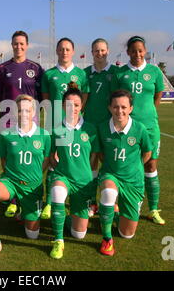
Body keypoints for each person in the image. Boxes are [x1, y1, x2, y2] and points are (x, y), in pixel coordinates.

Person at [0, 94, 51, 261]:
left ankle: (24, 210)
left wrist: (33, 177)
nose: (23, 114)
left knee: (32, 235)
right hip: (10, 182)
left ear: (33, 112)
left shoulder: (44, 135)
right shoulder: (6, 135)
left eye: (27, 110)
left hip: (32, 188)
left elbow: (46, 160)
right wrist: (13, 177)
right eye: (19, 110)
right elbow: (4, 161)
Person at [111, 36, 165, 225]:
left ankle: (153, 209)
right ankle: (118, 205)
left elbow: (157, 97)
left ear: (145, 51)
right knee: (124, 165)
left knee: (151, 166)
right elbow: (116, 98)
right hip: (127, 128)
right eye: (133, 50)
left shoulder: (154, 71)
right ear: (128, 52)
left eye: (140, 50)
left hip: (150, 127)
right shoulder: (120, 73)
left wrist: (146, 115)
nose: (137, 54)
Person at [0, 30, 44, 217]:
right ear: (11, 45)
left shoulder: (36, 68)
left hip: (31, 121)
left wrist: (32, 115)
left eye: (22, 43)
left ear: (27, 45)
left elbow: (41, 96)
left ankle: (30, 198)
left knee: (30, 160)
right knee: (9, 159)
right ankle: (13, 200)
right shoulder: (2, 68)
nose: (19, 46)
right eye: (16, 43)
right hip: (8, 121)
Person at [97, 90, 152, 256]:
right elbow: (100, 154)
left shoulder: (139, 129)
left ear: (130, 108)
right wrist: (110, 168)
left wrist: (134, 167)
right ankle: (107, 238)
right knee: (108, 191)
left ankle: (114, 214)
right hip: (110, 174)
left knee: (127, 234)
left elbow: (147, 153)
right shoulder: (102, 128)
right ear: (109, 108)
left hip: (133, 181)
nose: (119, 111)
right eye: (115, 107)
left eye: (123, 107)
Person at [49, 82, 99, 259]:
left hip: (83, 182)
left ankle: (68, 218)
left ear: (81, 106)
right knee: (57, 192)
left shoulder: (90, 129)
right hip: (63, 177)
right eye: (69, 105)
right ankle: (58, 241)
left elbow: (94, 158)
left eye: (76, 105)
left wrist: (89, 178)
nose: (73, 108)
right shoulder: (57, 129)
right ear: (63, 106)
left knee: (79, 234)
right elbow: (51, 156)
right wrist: (59, 170)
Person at [41, 37, 90, 219]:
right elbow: (46, 99)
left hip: (74, 124)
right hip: (54, 123)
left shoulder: (81, 74)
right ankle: (48, 203)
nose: (64, 52)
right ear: (56, 51)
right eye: (61, 49)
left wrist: (76, 117)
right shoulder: (49, 74)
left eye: (68, 49)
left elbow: (84, 98)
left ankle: (80, 199)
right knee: (52, 160)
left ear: (73, 51)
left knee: (73, 160)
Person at [83, 38, 119, 217]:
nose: (100, 53)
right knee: (91, 163)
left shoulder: (115, 72)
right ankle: (91, 202)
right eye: (97, 50)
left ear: (108, 51)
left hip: (109, 125)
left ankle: (113, 202)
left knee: (110, 161)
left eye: (103, 50)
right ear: (92, 52)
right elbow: (82, 99)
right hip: (90, 126)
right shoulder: (85, 73)